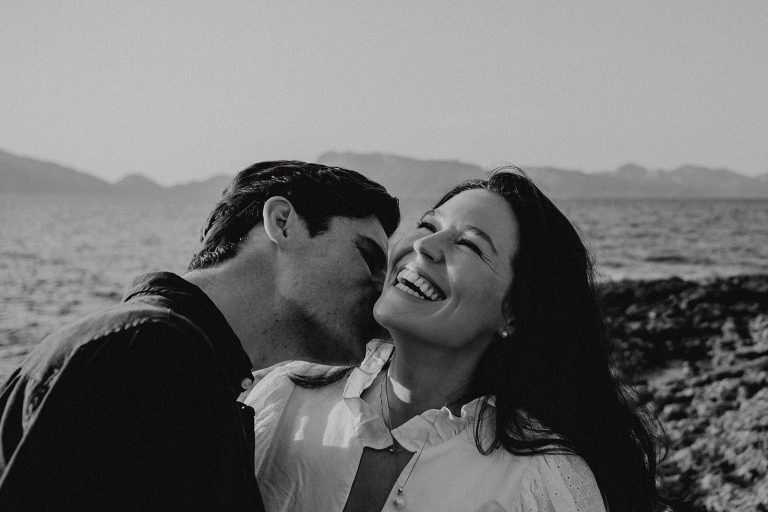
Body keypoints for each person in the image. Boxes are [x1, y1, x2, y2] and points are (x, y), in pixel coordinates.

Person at [244, 168, 675, 512]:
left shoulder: (542, 480)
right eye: (429, 224)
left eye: (468, 245)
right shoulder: (284, 397)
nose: (426, 246)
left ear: (513, 311)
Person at [0, 160, 400, 511]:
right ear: (282, 223)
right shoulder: (150, 353)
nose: (383, 291)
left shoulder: (171, 358)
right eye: (368, 259)